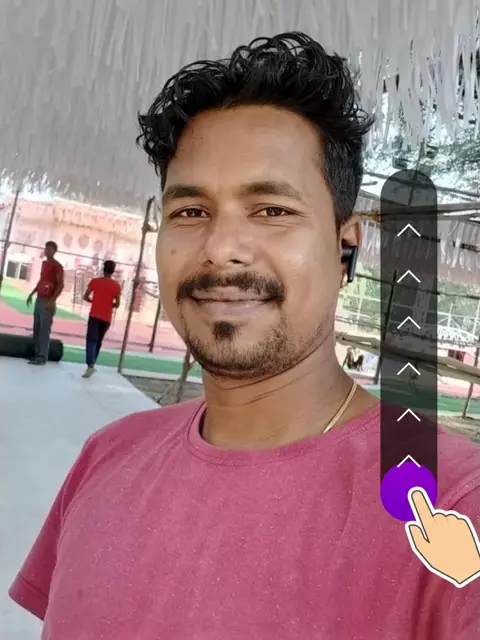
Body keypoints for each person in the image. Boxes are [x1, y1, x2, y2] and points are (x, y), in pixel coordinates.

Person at [9, 33, 480, 639]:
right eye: (190, 211)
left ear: (345, 248)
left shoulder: (449, 506)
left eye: (272, 210)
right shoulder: (108, 455)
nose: (222, 247)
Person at [26, 240, 64, 366]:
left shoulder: (57, 266)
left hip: (48, 301)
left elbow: (61, 285)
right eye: (46, 249)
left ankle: (42, 357)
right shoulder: (44, 264)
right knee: (36, 328)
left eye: (50, 249)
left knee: (44, 330)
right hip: (39, 298)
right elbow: (41, 281)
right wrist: (32, 293)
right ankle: (37, 354)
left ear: (55, 251)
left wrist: (52, 301)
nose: (47, 251)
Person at [81, 259, 121, 378]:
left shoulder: (95, 282)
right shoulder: (116, 286)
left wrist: (94, 301)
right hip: (106, 317)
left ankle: (90, 365)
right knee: (98, 340)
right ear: (113, 271)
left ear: (103, 269)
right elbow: (117, 304)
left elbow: (85, 296)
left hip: (94, 315)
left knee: (91, 340)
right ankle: (92, 362)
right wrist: (109, 305)